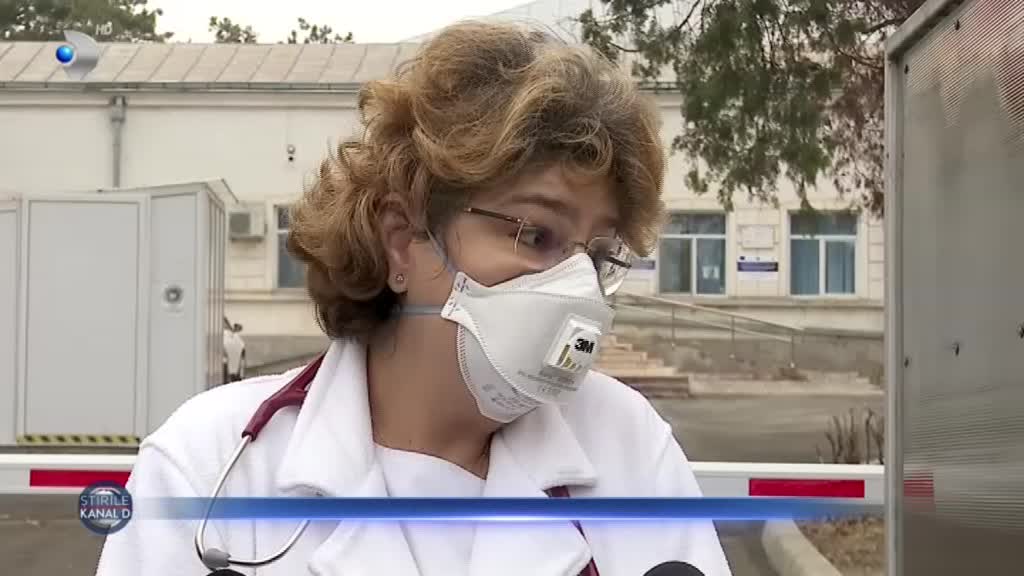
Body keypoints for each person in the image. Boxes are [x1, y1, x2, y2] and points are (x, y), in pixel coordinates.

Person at [95, 21, 732, 576]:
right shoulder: (209, 466)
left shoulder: (629, 444)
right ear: (403, 241)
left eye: (597, 256)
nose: (578, 289)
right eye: (537, 235)